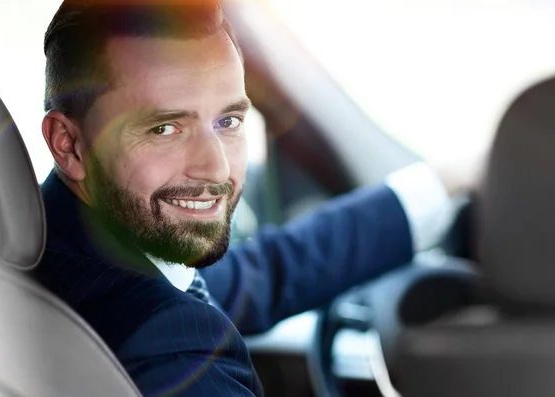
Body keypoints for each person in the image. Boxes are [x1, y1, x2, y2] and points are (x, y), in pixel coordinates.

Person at [34, 0, 481, 395]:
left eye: (227, 122)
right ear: (68, 144)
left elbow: (261, 271)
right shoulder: (170, 346)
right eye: (164, 128)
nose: (215, 168)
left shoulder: (53, 243)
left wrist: (440, 186)